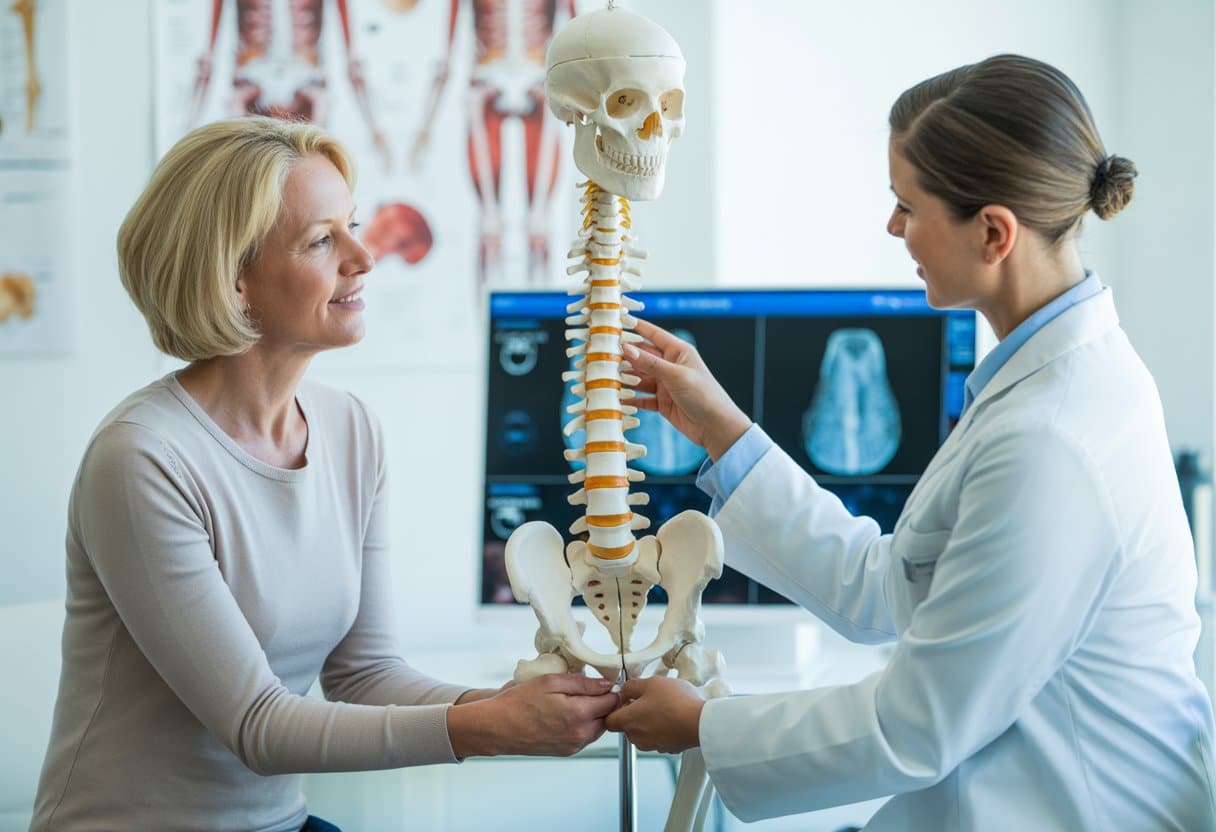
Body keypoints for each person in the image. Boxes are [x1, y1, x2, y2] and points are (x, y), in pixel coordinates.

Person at [605, 54, 1216, 830]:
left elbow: (916, 725)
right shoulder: (1046, 386)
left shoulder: (1051, 438)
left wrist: (702, 726)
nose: (893, 228)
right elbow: (888, 588)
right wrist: (720, 430)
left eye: (906, 205)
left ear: (994, 232)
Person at [30, 116, 617, 832]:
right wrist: (491, 729)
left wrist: (516, 704)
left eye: (354, 225)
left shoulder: (349, 429)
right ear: (234, 280)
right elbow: (258, 725)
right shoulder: (142, 459)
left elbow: (364, 675)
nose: (365, 257)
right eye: (321, 240)